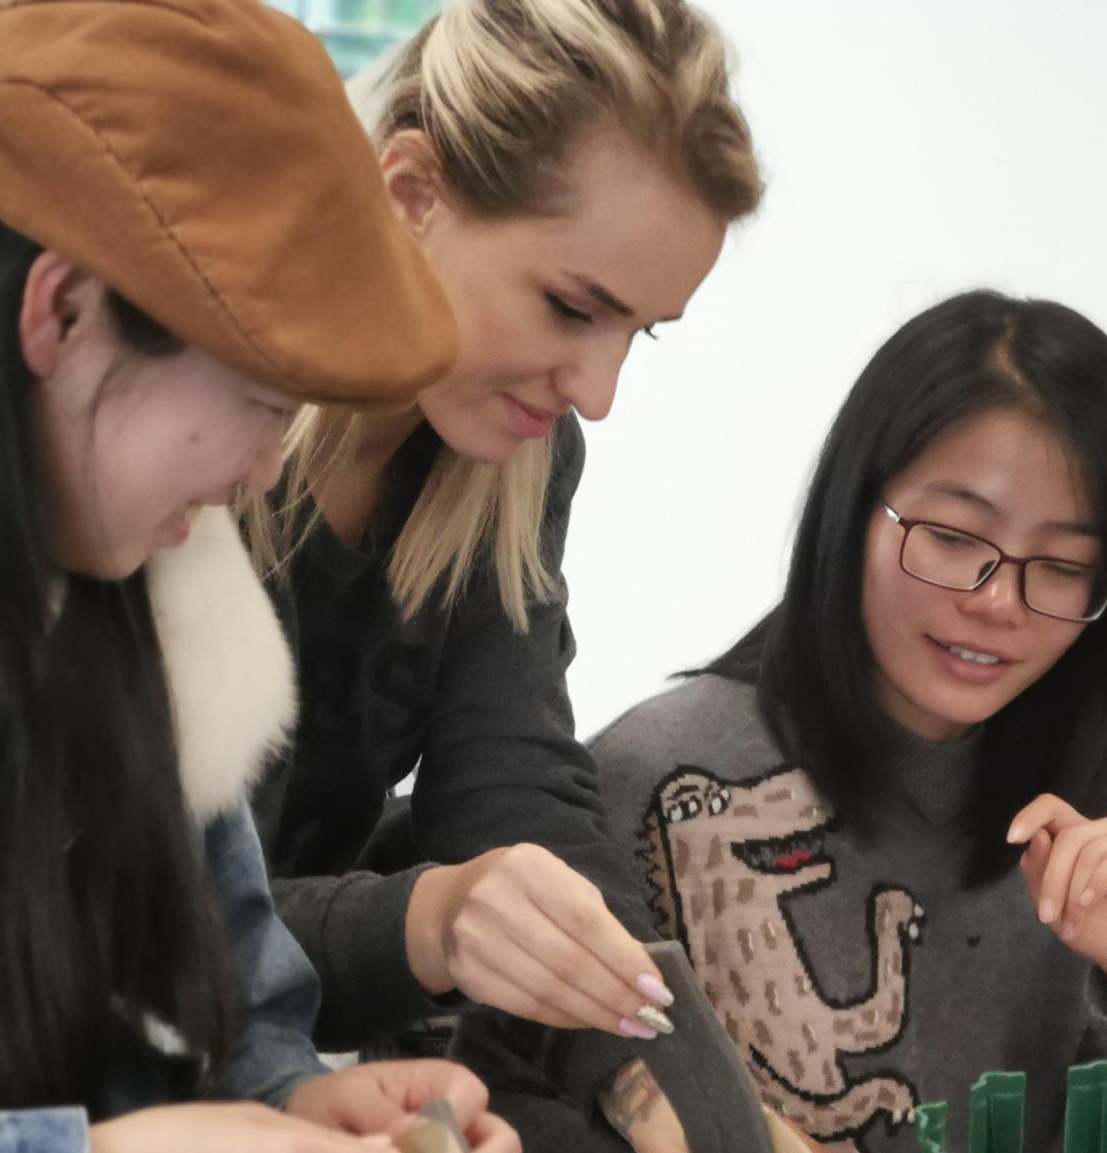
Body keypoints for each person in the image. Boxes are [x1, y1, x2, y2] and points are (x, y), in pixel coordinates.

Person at [0, 2, 518, 1153]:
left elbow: (234, 1015)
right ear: (60, 311)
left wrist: (299, 1116)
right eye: (262, 404)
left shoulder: (161, 627)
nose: (265, 475)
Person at [505, 291, 1107, 1153]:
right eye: (953, 539)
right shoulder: (659, 779)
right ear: (854, 509)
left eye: (1061, 567)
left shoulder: (1056, 838)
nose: (997, 604)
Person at [243, 0, 764, 1058]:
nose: (597, 394)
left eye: (639, 333)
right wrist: (431, 921)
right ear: (412, 196)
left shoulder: (515, 462)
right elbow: (144, 924)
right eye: (573, 308)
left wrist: (675, 1083)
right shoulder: (190, 435)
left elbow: (515, 791)